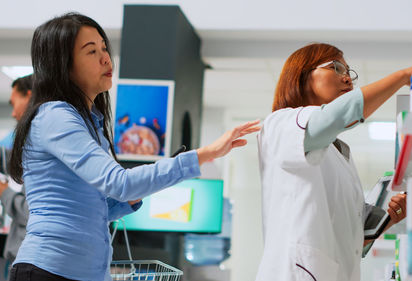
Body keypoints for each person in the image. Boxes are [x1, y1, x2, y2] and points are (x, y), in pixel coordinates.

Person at [7, 13, 260, 281]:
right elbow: (120, 183)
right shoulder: (56, 116)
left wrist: (131, 198)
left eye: (104, 48)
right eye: (91, 51)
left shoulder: (90, 123)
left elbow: (99, 208)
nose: (106, 58)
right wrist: (205, 154)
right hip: (50, 270)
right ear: (63, 65)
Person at [256, 43, 412, 281]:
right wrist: (402, 76)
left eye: (348, 72)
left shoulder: (339, 152)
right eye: (336, 68)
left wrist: (387, 219)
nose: (347, 79)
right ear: (302, 75)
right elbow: (336, 116)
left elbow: (352, 238)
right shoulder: (281, 124)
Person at [0, 75, 32, 276]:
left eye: (14, 103)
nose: (13, 113)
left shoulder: (40, 146)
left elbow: (32, 213)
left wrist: (4, 193)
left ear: (29, 97)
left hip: (28, 262)